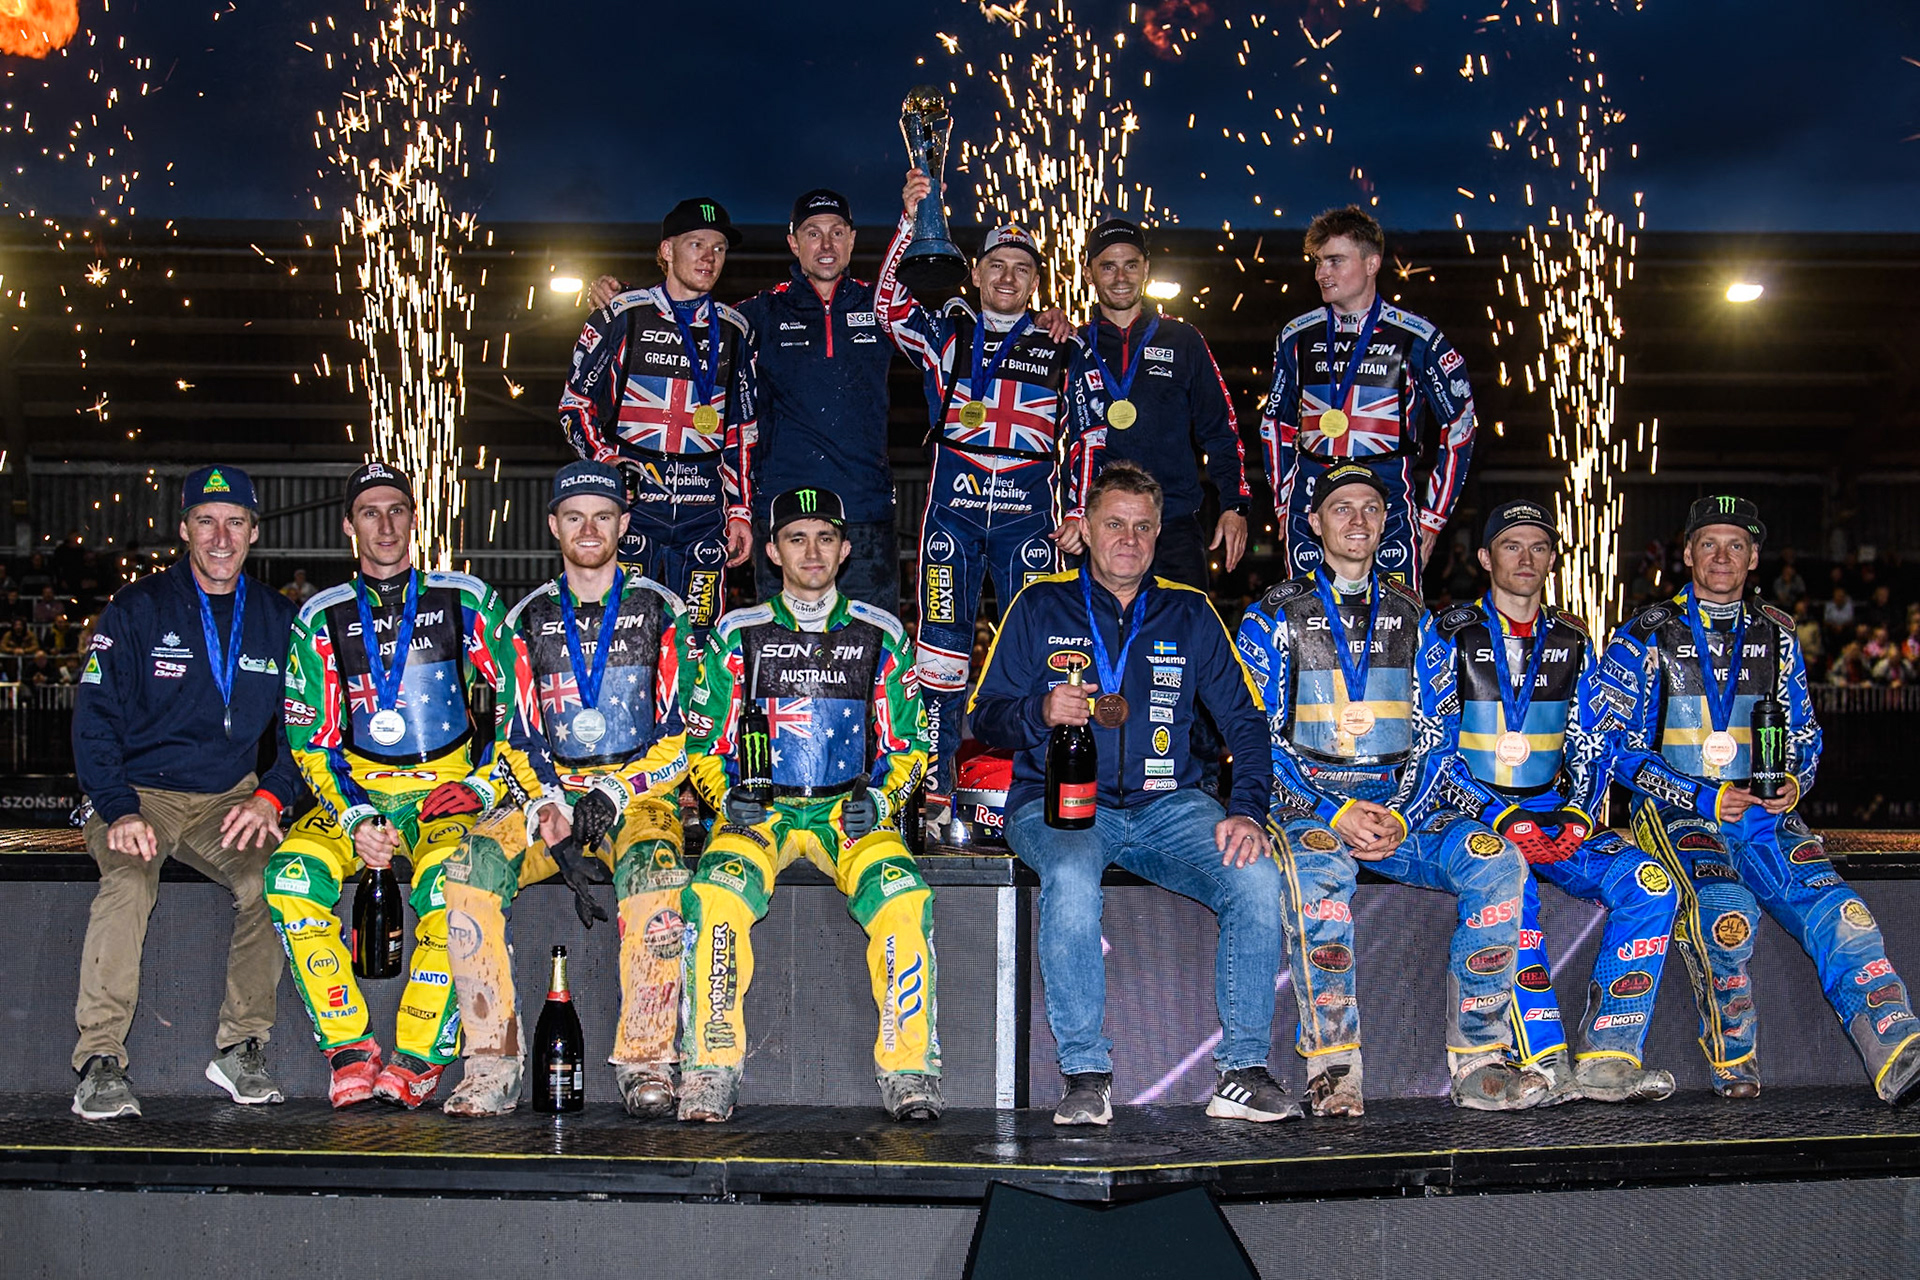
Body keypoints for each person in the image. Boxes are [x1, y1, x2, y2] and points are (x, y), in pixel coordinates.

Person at [972, 462, 1294, 1126]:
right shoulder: (1037, 605)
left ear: (1158, 534)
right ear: (1086, 530)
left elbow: (1246, 721)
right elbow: (985, 716)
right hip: (1056, 802)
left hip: (1168, 806)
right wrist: (1039, 710)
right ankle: (1086, 1075)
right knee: (1069, 878)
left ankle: (1242, 1072)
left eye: (1143, 527)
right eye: (1114, 524)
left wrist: (1246, 811)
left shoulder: (1190, 609)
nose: (1129, 539)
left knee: (1256, 877)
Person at [1236, 464, 1545, 1116]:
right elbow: (1256, 739)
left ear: (1385, 524)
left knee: (1498, 863)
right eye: (1341, 508)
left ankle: (1480, 1061)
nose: (1357, 520)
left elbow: (1442, 735)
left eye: (1371, 509)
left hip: (1402, 809)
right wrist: (1336, 810)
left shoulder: (1414, 616)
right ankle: (1333, 1067)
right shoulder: (1272, 616)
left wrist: (1401, 815)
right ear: (1314, 523)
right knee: (1317, 871)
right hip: (1307, 805)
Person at [1600, 495, 1920, 1105]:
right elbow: (1614, 748)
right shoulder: (1643, 634)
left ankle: (1897, 1045)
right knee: (1726, 910)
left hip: (1767, 814)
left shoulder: (1777, 632)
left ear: (1753, 559)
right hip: (1680, 811)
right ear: (1688, 553)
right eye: (1709, 544)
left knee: (1843, 914)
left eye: (1736, 546)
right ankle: (1734, 1057)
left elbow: (1805, 733)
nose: (1722, 557)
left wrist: (1795, 779)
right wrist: (1701, 795)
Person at [678, 486, 941, 1123]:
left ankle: (909, 1070)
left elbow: (911, 744)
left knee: (903, 897)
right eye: (797, 538)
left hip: (844, 813)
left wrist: (881, 798)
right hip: (761, 813)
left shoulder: (881, 633)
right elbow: (701, 741)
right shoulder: (737, 634)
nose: (813, 551)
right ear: (772, 551)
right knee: (715, 896)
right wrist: (725, 793)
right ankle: (710, 1068)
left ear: (846, 549)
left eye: (826, 537)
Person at [443, 461, 695, 1118]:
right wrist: (549, 803)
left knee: (657, 874)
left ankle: (647, 1060)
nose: (589, 529)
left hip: (637, 797)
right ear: (553, 525)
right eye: (575, 516)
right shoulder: (525, 618)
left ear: (624, 524)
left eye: (603, 516)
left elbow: (682, 737)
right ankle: (492, 1062)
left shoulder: (663, 610)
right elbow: (514, 733)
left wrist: (614, 792)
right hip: (548, 793)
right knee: (469, 866)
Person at [265, 463, 515, 1109]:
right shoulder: (321, 615)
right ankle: (348, 1048)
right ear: (349, 526)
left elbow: (520, 703)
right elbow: (309, 736)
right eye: (369, 512)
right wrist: (354, 817)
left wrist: (487, 785)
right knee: (291, 877)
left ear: (414, 518)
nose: (385, 525)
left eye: (397, 510)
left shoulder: (465, 598)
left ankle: (420, 1055)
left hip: (444, 788)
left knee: (455, 886)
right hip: (358, 788)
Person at [1427, 501, 1678, 1103]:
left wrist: (1578, 813)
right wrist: (1501, 815)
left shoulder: (1572, 638)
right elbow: (1432, 750)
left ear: (1551, 560)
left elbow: (1593, 741)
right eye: (1511, 546)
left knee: (1652, 886)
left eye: (1539, 547)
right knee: (1512, 883)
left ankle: (1609, 1057)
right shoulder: (1448, 633)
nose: (1526, 558)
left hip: (1551, 813)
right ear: (1485, 557)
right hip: (1470, 812)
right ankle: (1543, 1063)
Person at [69, 465, 298, 1119]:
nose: (220, 537)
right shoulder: (137, 608)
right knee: (129, 880)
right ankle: (100, 1060)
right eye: (206, 521)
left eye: (234, 522)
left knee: (273, 880)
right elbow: (93, 718)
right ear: (184, 529)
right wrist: (117, 807)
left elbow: (306, 728)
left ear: (254, 532)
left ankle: (242, 1047)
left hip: (229, 797)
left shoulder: (278, 617)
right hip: (138, 792)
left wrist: (272, 795)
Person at [591, 189, 904, 614]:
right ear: (793, 242)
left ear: (852, 239)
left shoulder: (884, 308)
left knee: (871, 645)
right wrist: (623, 297)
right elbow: (688, 323)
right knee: (778, 645)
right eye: (813, 233)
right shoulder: (760, 313)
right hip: (781, 514)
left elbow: (950, 337)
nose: (826, 245)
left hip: (865, 514)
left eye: (836, 232)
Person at [877, 167, 1080, 811]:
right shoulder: (947, 330)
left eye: (1022, 269)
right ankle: (935, 784)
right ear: (976, 272)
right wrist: (911, 223)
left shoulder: (1063, 344)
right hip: (953, 518)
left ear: (1036, 282)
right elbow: (888, 308)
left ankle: (1032, 784)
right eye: (997, 265)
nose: (1008, 278)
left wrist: (1078, 508)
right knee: (940, 651)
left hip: (1029, 522)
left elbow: (1089, 435)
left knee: (1041, 650)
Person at [558, 197, 758, 639]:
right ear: (667, 250)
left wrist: (741, 511)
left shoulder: (734, 330)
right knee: (625, 632)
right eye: (696, 244)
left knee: (699, 639)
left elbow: (742, 431)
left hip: (704, 510)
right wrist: (607, 462)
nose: (709, 257)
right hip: (634, 507)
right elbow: (574, 405)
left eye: (719, 248)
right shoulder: (620, 314)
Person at [1259, 206, 1477, 592]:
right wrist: (1283, 502)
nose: (1321, 274)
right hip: (1312, 507)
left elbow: (1460, 424)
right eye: (1318, 262)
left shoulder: (1418, 337)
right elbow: (1275, 424)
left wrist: (1433, 518)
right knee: (1309, 620)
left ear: (1372, 263)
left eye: (1334, 261)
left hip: (1388, 508)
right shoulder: (1296, 335)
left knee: (1395, 621)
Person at [1058, 218, 1251, 588]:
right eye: (1108, 267)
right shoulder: (1072, 345)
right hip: (1097, 528)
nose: (1121, 277)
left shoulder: (1184, 340)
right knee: (1096, 627)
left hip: (1172, 526)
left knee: (1185, 624)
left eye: (1131, 265)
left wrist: (1234, 504)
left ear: (1146, 269)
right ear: (1088, 273)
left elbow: (1220, 430)